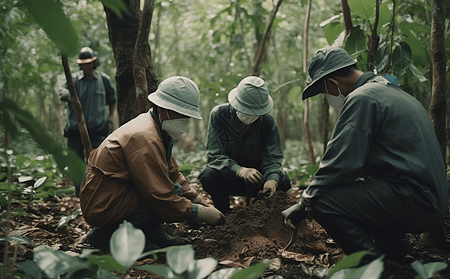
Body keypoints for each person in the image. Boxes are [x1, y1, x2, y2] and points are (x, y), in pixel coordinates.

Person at [282, 47, 449, 262]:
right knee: (367, 186)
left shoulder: (362, 98)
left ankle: (369, 267)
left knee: (323, 202)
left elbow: (340, 164)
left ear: (333, 83)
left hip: (416, 200)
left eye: (324, 92)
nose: (326, 98)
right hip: (430, 199)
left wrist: (305, 202)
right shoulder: (394, 92)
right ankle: (395, 253)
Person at [80, 76, 225, 253]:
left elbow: (172, 172)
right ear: (164, 109)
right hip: (103, 204)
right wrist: (197, 213)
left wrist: (195, 198)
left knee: (175, 188)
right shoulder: (145, 137)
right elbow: (158, 195)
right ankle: (107, 234)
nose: (185, 120)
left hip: (117, 194)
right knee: (167, 192)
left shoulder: (157, 128)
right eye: (182, 114)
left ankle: (148, 231)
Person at [199, 76, 292, 214]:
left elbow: (273, 158)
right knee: (208, 175)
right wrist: (239, 170)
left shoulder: (268, 123)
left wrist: (272, 180)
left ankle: (259, 211)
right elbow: (215, 156)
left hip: (258, 180)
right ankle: (223, 212)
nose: (250, 115)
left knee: (283, 182)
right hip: (229, 177)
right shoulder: (219, 115)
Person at [58, 47, 117, 160]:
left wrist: (110, 118)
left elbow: (112, 100)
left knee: (98, 162)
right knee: (75, 163)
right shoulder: (73, 80)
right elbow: (61, 91)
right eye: (83, 64)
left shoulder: (104, 80)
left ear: (93, 63)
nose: (86, 66)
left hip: (98, 130)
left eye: (88, 63)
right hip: (75, 130)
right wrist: (70, 96)